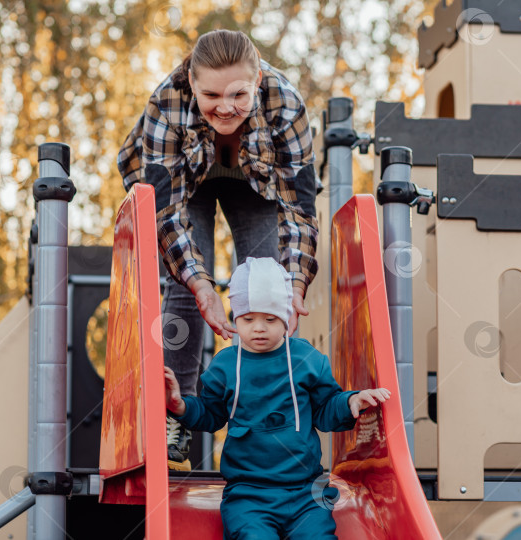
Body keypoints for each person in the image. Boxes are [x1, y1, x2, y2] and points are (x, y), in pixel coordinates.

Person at [119, 29, 320, 470]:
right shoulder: (167, 104)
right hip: (182, 184)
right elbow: (167, 213)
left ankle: (275, 417)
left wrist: (296, 283)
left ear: (258, 81)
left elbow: (300, 209)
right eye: (210, 94)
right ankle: (176, 416)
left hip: (256, 183)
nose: (224, 106)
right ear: (192, 82)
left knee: (271, 280)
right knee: (188, 286)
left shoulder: (286, 106)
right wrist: (200, 284)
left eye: (238, 94)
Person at [164, 257, 391, 539]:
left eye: (270, 319)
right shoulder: (225, 365)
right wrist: (180, 405)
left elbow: (324, 410)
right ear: (236, 317)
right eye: (248, 319)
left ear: (286, 317)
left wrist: (351, 401)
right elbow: (211, 414)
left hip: (306, 491)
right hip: (248, 493)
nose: (258, 328)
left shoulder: (306, 359)